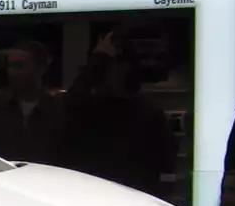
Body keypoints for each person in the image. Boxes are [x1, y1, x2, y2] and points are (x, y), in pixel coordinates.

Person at [55, 29, 175, 197]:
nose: (112, 72)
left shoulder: (149, 113)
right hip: (90, 196)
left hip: (133, 200)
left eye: (117, 65)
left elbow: (164, 165)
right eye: (107, 66)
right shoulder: (89, 109)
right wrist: (98, 61)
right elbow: (68, 104)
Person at [0, 39, 63, 163]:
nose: (12, 72)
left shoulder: (57, 111)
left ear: (40, 69)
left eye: (19, 66)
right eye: (10, 66)